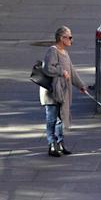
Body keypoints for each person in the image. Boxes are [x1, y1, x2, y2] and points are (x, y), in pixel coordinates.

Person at [38, 27, 86, 158]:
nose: (71, 40)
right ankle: (51, 144)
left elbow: (72, 71)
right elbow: (47, 68)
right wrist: (61, 72)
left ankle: (60, 143)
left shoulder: (65, 52)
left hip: (62, 92)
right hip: (52, 92)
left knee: (60, 119)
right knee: (52, 119)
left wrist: (81, 86)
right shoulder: (52, 51)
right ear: (61, 38)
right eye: (69, 37)